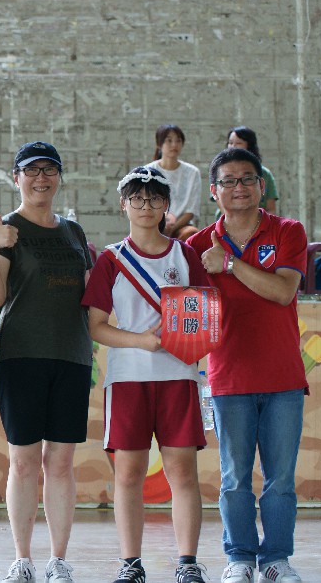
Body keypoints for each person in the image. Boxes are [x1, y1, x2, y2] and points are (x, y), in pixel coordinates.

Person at [81, 166, 210, 583]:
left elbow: (205, 315)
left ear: (166, 205)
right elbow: (96, 326)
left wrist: (188, 344)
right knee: (128, 475)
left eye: (155, 198)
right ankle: (130, 564)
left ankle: (187, 563)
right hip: (127, 381)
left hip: (179, 377)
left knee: (183, 474)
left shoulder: (184, 255)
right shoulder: (111, 260)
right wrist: (141, 341)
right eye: (137, 198)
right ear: (124, 204)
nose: (146, 206)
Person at [187, 148, 308, 583]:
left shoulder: (288, 231)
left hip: (283, 379)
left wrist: (231, 265)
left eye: (247, 179)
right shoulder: (196, 246)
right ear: (214, 191)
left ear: (261, 186)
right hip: (228, 379)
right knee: (235, 479)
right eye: (228, 181)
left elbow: (283, 292)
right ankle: (238, 558)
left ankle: (276, 560)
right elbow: (187, 316)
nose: (239, 187)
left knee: (280, 480)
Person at [0, 141, 94, 583]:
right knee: (24, 462)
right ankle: (22, 559)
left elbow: (89, 296)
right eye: (32, 170)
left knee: (60, 463)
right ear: (16, 178)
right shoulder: (6, 230)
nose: (41, 178)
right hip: (19, 357)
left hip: (72, 357)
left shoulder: (74, 232)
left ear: (59, 177)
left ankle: (58, 560)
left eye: (49, 170)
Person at [145, 124, 202, 241]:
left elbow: (191, 210)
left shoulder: (192, 172)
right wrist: (161, 225)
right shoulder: (148, 171)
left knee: (191, 234)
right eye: (169, 140)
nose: (174, 145)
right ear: (159, 144)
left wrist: (172, 228)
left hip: (182, 225)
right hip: (155, 223)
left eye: (178, 141)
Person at [226, 127, 278, 214]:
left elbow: (271, 208)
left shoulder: (265, 174)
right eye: (230, 143)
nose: (233, 146)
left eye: (238, 143)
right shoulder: (221, 172)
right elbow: (221, 205)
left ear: (249, 146)